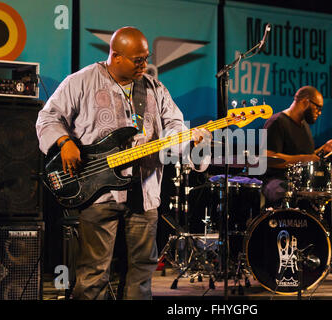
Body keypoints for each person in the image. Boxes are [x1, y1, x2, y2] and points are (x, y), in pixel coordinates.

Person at [36, 26, 211, 299]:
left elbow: (174, 127)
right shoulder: (81, 81)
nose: (144, 64)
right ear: (115, 56)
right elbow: (48, 118)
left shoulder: (154, 87)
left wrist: (191, 141)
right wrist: (64, 142)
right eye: (137, 59)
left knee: (141, 274)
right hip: (98, 192)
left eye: (146, 57)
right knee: (94, 273)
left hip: (145, 192)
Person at [262, 86, 332, 262]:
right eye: (317, 107)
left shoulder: (304, 127)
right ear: (305, 101)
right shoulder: (277, 122)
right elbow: (267, 157)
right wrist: (304, 158)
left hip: (299, 183)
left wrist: (322, 150)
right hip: (275, 181)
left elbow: (306, 157)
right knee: (293, 194)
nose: (319, 112)